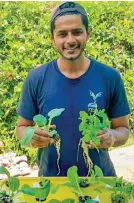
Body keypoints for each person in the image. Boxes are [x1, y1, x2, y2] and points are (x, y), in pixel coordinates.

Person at [16, 1, 131, 177]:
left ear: (88, 34)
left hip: (100, 180)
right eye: (62, 34)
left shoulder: (110, 77)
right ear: (52, 39)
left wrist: (112, 137)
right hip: (51, 182)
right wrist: (31, 137)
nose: (70, 40)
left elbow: (123, 130)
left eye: (77, 32)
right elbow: (21, 128)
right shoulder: (36, 78)